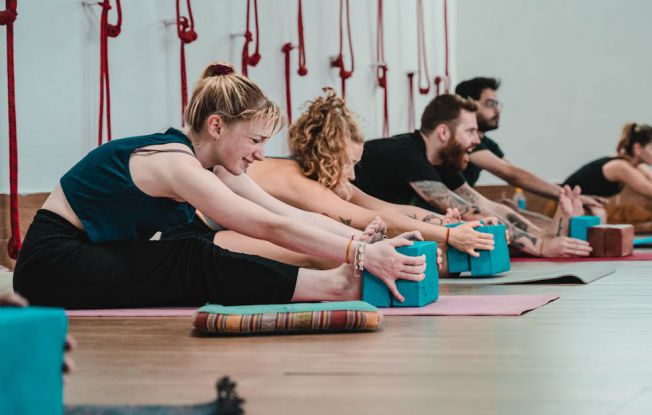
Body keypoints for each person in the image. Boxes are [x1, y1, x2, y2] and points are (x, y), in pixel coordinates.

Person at [12, 62, 425, 309]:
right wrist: (360, 256)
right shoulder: (176, 164)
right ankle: (334, 286)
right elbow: (266, 228)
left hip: (93, 252)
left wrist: (366, 241)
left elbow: (286, 213)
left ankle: (338, 279)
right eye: (256, 141)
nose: (261, 155)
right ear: (217, 126)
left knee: (192, 250)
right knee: (191, 256)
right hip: (51, 262)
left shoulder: (215, 166)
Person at [214, 89, 496, 269]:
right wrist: (447, 236)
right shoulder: (298, 180)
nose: (351, 174)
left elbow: (384, 209)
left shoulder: (324, 178)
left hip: (237, 232)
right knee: (325, 254)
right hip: (206, 239)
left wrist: (451, 224)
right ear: (329, 157)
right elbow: (361, 218)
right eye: (349, 164)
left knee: (340, 246)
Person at [353, 94, 592, 258]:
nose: (477, 140)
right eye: (470, 131)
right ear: (443, 132)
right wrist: (540, 247)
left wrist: (546, 234)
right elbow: (470, 212)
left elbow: (486, 205)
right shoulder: (407, 153)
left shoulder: (441, 161)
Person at [454, 77, 605, 216]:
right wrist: (567, 196)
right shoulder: (463, 140)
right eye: (490, 104)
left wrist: (570, 197)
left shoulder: (486, 143)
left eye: (497, 104)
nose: (497, 110)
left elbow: (514, 171)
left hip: (464, 207)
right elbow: (512, 174)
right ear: (470, 104)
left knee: (515, 213)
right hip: (450, 214)